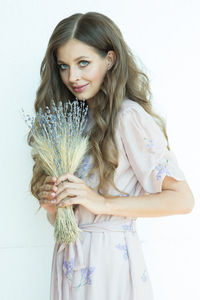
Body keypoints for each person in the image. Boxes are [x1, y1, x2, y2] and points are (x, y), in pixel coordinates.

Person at [28, 11, 194, 300]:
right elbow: (69, 219)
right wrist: (54, 205)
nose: (72, 77)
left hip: (109, 264)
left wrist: (101, 202)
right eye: (64, 66)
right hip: (69, 259)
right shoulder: (73, 124)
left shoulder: (127, 117)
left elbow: (182, 199)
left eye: (83, 63)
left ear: (110, 59)